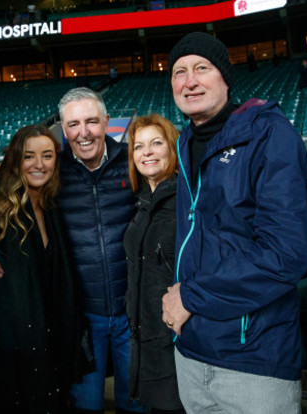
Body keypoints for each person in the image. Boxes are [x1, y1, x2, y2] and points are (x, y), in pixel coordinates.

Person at [162, 32, 307, 413]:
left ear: (226, 78)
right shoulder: (184, 142)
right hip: (191, 350)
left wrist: (189, 296)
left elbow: (288, 253)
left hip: (254, 361)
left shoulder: (269, 133)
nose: (189, 80)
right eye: (179, 72)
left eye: (202, 68)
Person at [0, 87, 141, 414]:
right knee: (85, 403)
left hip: (130, 312)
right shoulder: (54, 171)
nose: (84, 132)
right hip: (80, 317)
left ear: (107, 122)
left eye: (92, 121)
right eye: (74, 124)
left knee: (134, 401)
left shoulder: (133, 162)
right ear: (64, 129)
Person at [0, 124, 93, 413]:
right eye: (29, 156)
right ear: (15, 160)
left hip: (46, 337)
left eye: (47, 156)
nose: (38, 164)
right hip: (4, 344)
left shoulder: (51, 207)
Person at [123, 114, 184, 414]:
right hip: (146, 343)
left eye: (156, 143)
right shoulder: (143, 200)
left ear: (172, 149)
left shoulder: (187, 200)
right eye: (139, 146)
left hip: (177, 344)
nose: (146, 152)